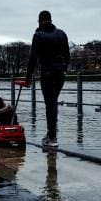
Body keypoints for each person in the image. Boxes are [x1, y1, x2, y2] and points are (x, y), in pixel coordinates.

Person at [25, 10, 70, 147]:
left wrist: (28, 78)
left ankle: (52, 137)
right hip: (60, 74)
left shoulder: (38, 35)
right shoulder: (62, 34)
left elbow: (33, 58)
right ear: (51, 20)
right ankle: (52, 131)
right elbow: (67, 55)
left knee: (50, 104)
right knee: (53, 102)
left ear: (39, 21)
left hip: (47, 73)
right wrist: (64, 69)